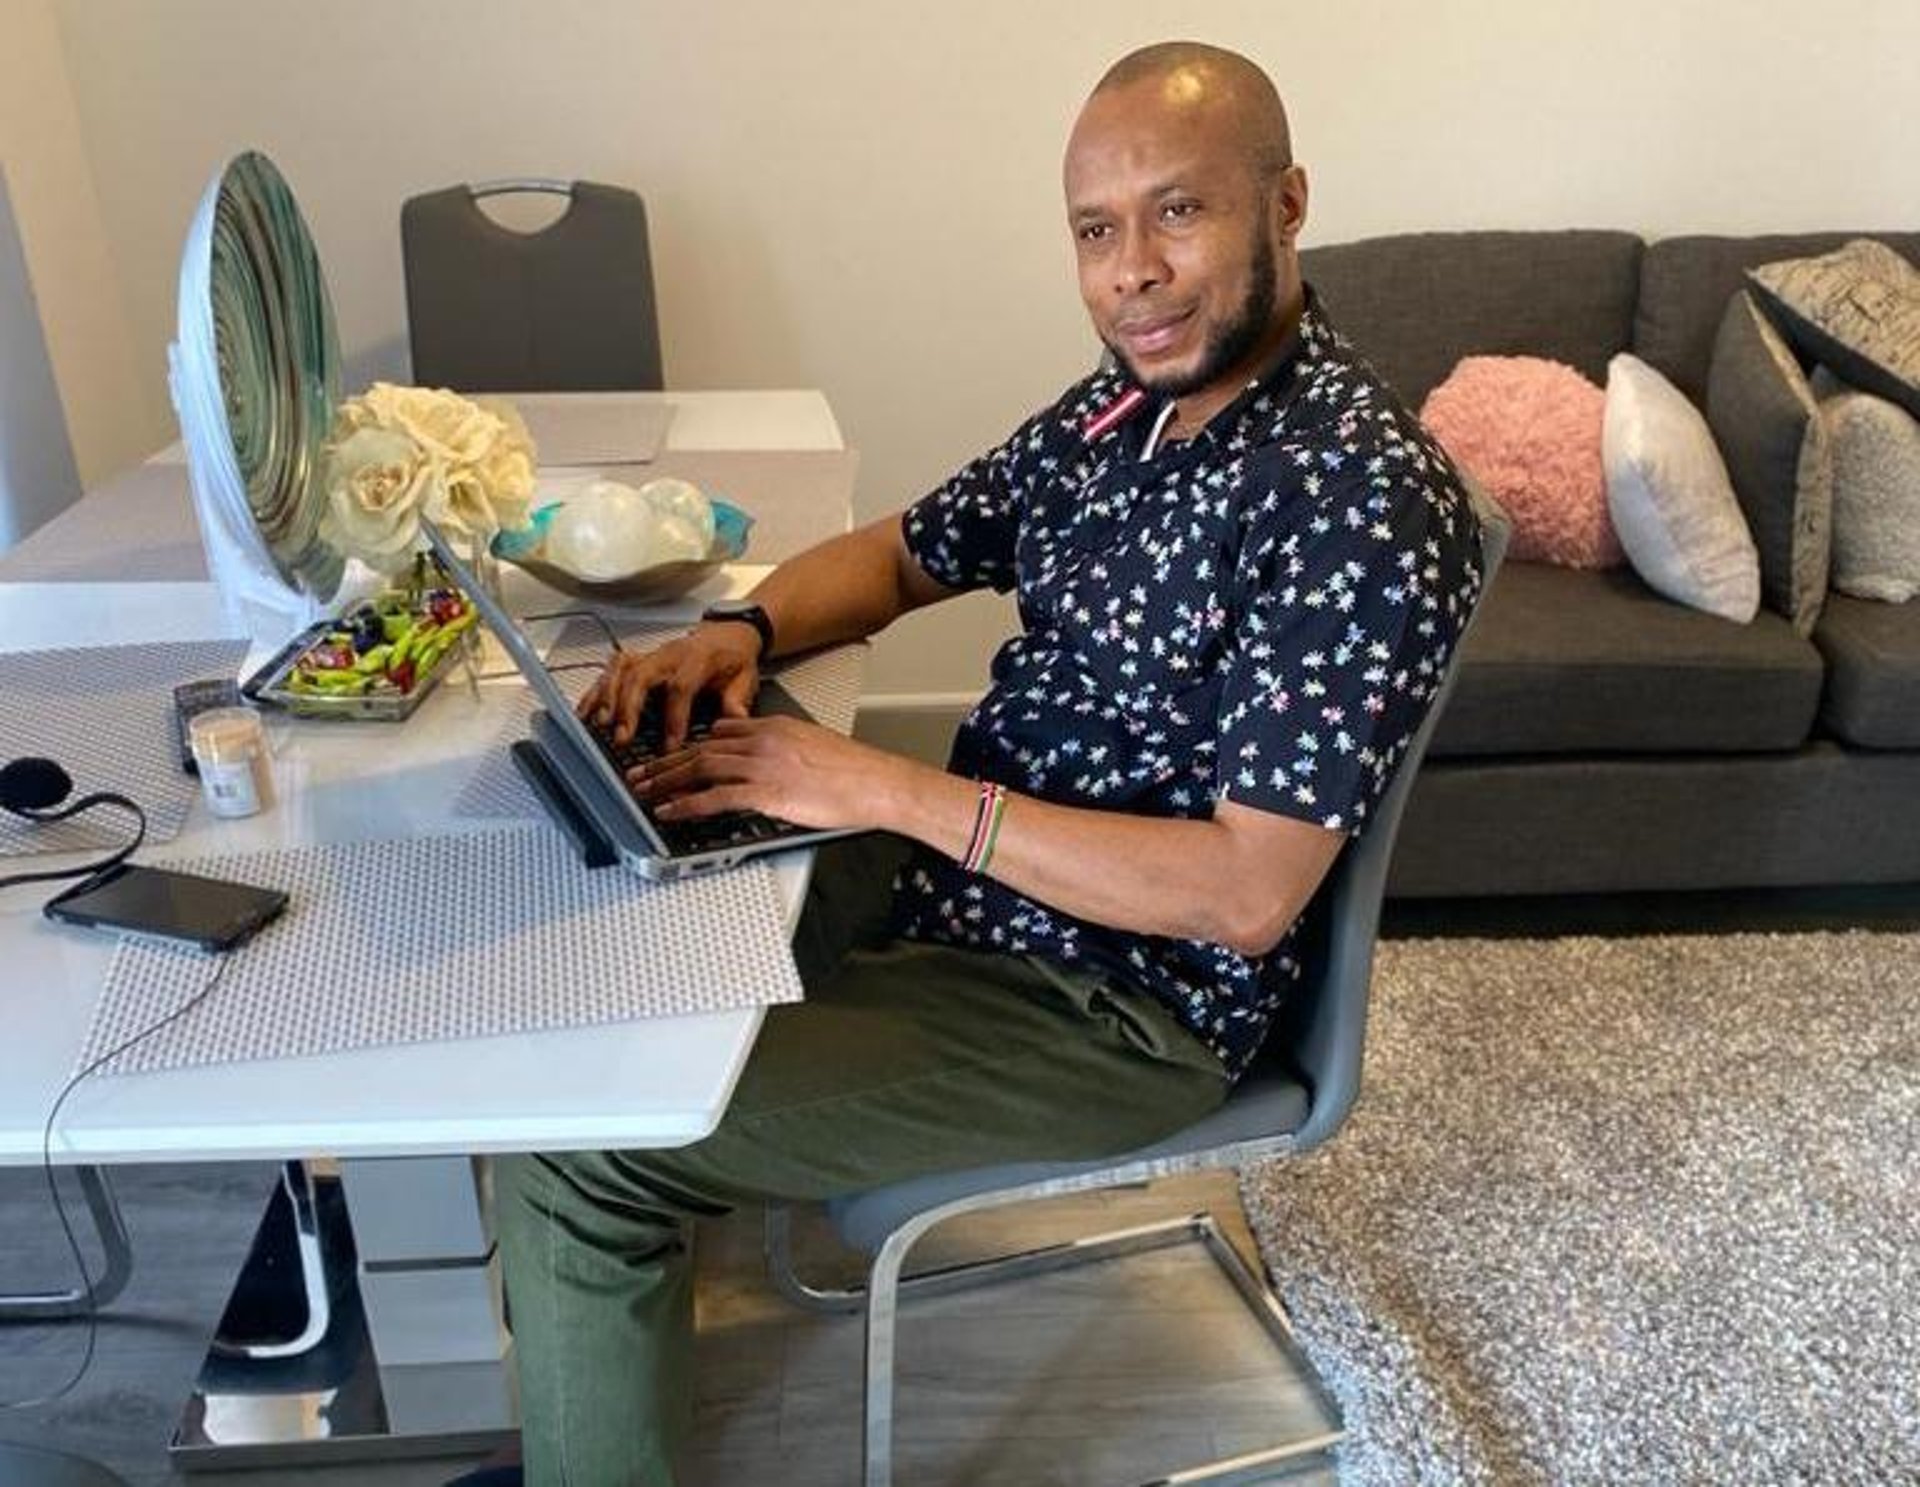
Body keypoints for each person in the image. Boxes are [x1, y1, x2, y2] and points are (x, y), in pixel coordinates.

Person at [491, 39, 1483, 1486]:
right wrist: (740, 624)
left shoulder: (1354, 501)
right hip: (963, 890)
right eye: (1096, 229)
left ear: (1287, 205)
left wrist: (877, 790)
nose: (1130, 270)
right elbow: (907, 549)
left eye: (1178, 211)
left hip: (1112, 1002)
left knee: (582, 1151)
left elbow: (1244, 895)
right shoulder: (1120, 407)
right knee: (615, 906)